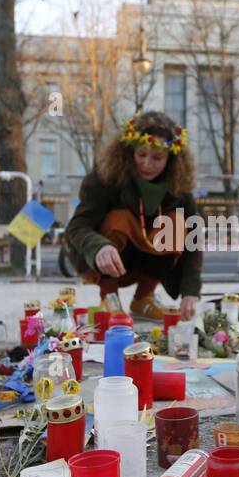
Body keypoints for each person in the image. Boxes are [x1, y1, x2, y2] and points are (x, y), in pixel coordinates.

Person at [64, 112, 202, 321]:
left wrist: (190, 290)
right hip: (109, 260)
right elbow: (77, 226)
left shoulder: (179, 191)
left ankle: (143, 299)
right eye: (141, 155)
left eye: (157, 158)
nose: (147, 164)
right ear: (130, 152)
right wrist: (98, 246)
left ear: (171, 159)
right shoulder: (105, 178)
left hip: (148, 262)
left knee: (175, 223)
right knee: (119, 218)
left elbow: (194, 241)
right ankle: (109, 299)